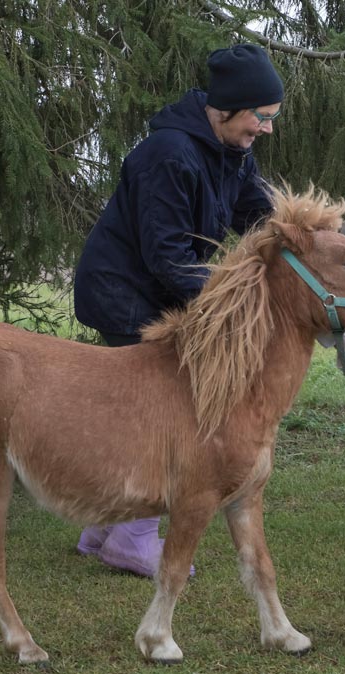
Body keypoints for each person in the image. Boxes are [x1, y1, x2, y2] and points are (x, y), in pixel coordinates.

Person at [72, 43, 284, 577]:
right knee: (160, 413)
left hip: (154, 289)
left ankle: (101, 530)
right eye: (262, 117)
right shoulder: (168, 154)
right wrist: (238, 299)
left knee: (142, 410)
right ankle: (132, 535)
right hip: (120, 291)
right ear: (229, 107)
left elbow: (262, 216)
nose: (267, 129)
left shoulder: (231, 151)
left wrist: (316, 245)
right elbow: (167, 259)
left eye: (271, 118)